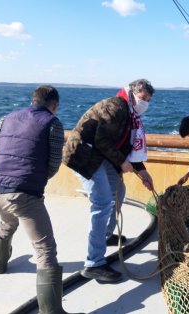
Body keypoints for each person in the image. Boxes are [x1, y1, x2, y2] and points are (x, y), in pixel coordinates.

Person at [0, 85, 84, 314]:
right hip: (23, 194)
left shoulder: (8, 118)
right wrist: (33, 180)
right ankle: (51, 312)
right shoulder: (53, 124)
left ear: (33, 100)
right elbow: (54, 164)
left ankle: (0, 266)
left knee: (7, 223)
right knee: (45, 250)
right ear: (54, 105)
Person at [62, 78, 155, 283]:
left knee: (118, 190)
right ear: (131, 93)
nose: (144, 103)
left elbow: (123, 146)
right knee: (102, 202)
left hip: (101, 156)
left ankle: (106, 234)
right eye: (142, 98)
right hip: (84, 155)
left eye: (148, 100)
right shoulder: (116, 107)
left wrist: (142, 172)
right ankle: (94, 263)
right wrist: (122, 163)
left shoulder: (131, 115)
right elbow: (101, 140)